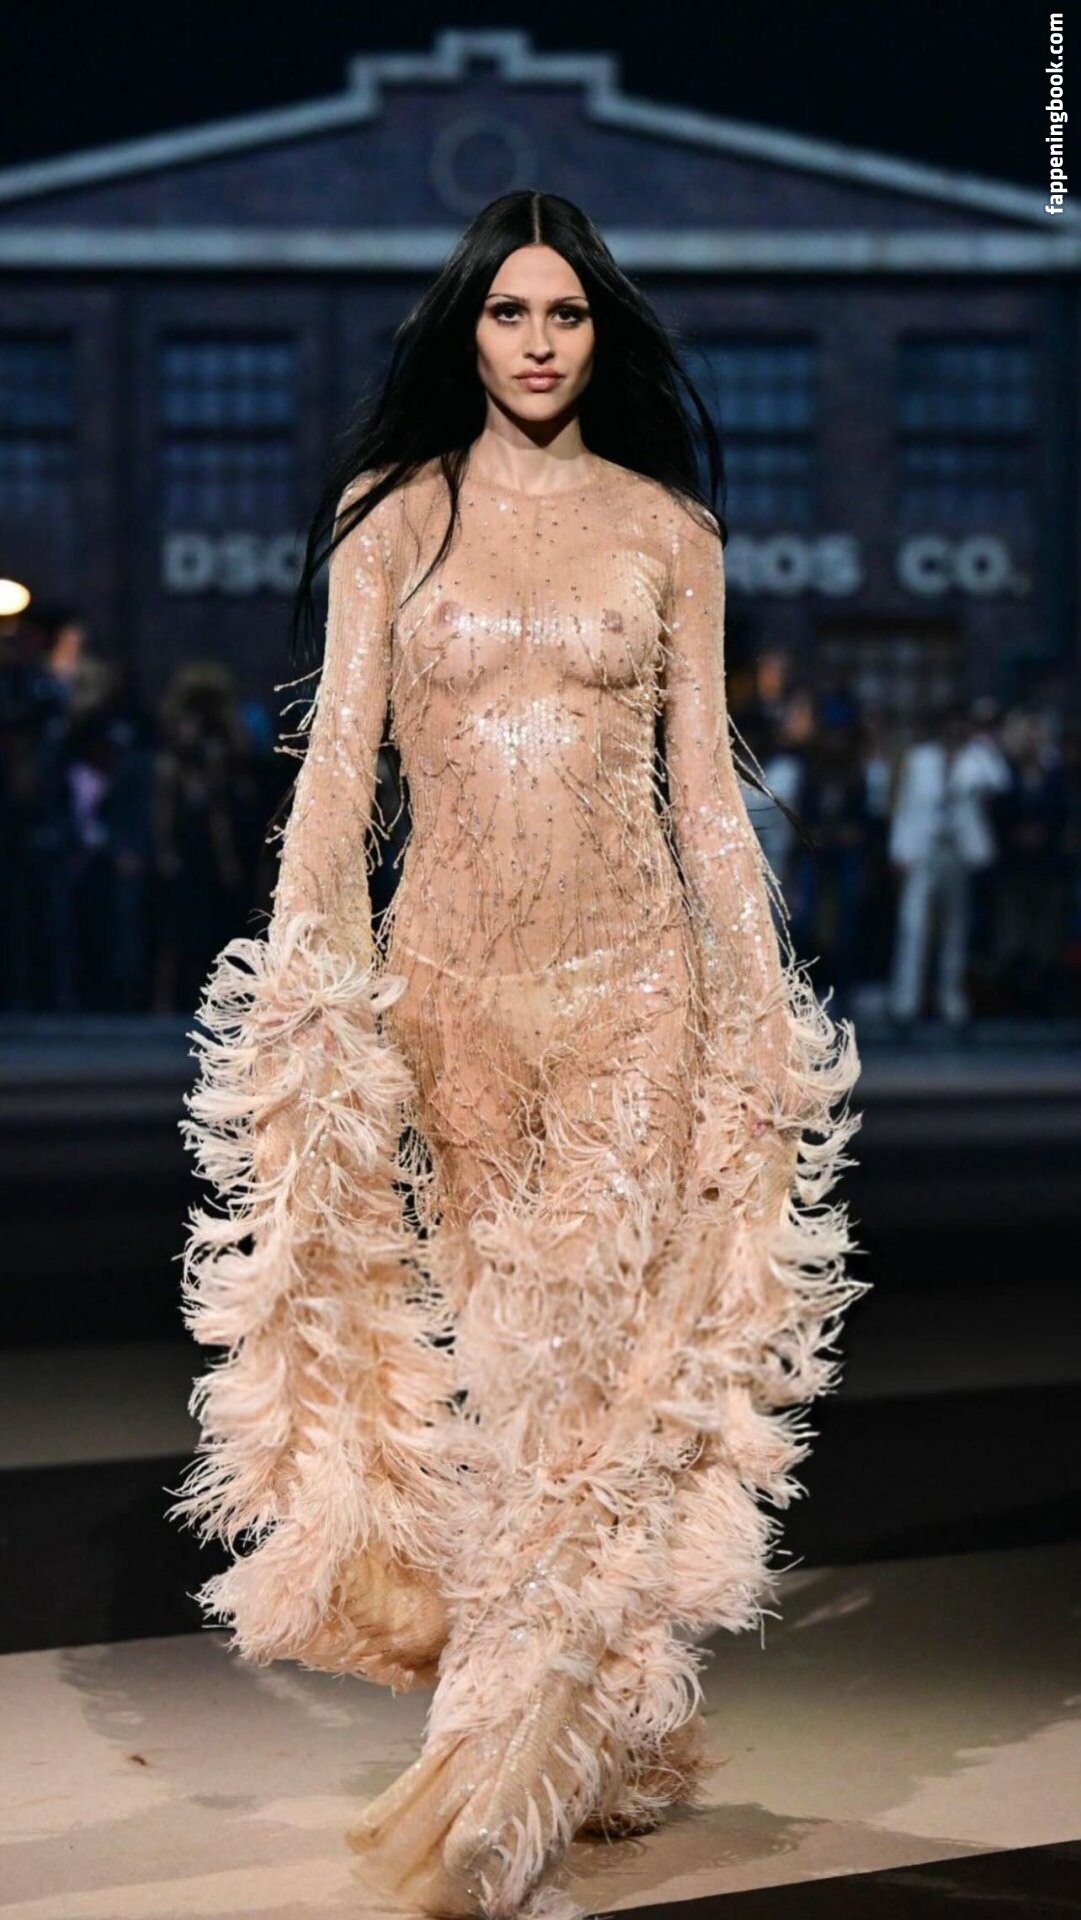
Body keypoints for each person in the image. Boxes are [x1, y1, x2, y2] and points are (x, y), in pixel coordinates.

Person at [167, 190, 867, 1920]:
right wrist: (310, 987)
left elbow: (704, 793)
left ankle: (490, 1794)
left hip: (637, 994)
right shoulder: (393, 518)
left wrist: (758, 1009)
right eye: (509, 313)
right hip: (452, 1000)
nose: (539, 342)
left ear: (598, 334)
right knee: (507, 1369)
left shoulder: (667, 530)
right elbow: (339, 769)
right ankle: (606, 1722)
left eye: (565, 314)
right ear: (466, 331)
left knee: (584, 1379)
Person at [887, 699, 1010, 1029]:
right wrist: (899, 850)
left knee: (955, 927)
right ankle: (906, 1001)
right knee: (913, 924)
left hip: (959, 851)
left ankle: (951, 999)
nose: (955, 731)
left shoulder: (976, 758)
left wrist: (981, 747)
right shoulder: (920, 759)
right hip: (923, 849)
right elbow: (905, 805)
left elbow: (1002, 780)